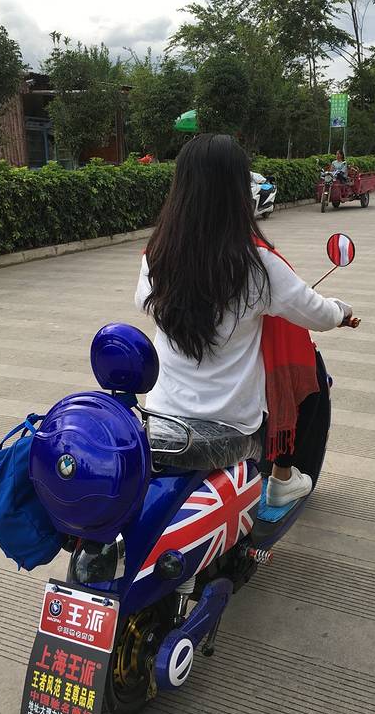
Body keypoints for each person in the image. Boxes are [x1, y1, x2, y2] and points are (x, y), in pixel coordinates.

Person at [135, 134, 356, 506]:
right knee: (300, 377)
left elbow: (144, 303)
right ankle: (282, 477)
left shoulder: (155, 255)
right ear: (238, 191)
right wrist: (341, 311)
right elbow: (317, 314)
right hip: (231, 426)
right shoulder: (257, 263)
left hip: (160, 418)